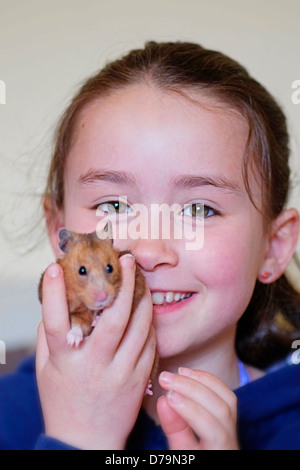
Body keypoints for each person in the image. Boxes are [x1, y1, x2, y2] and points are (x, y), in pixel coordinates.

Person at [1, 41, 300, 450]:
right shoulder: (8, 416)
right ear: (62, 237)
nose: (148, 250)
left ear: (274, 246)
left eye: (198, 209)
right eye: (113, 206)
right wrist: (79, 440)